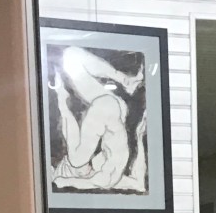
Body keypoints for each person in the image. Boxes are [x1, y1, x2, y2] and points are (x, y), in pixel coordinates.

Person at [49, 45, 147, 193]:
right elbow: (139, 184)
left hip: (113, 109)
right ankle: (124, 80)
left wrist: (139, 139)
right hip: (108, 110)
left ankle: (124, 79)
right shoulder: (102, 177)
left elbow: (138, 184)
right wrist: (139, 139)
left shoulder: (89, 165)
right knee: (78, 160)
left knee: (71, 55)